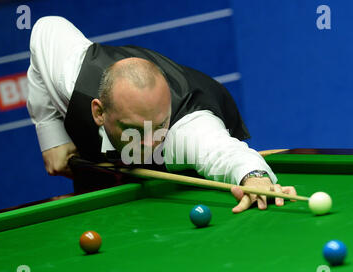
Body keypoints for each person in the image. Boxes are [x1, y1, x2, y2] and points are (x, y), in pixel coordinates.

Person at [26, 16, 297, 213]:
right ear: (98, 111)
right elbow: (46, 28)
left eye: (158, 127)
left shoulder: (186, 129)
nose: (149, 144)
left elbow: (223, 153)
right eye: (135, 129)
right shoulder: (73, 79)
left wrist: (253, 176)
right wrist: (50, 133)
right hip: (106, 155)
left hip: (200, 110)